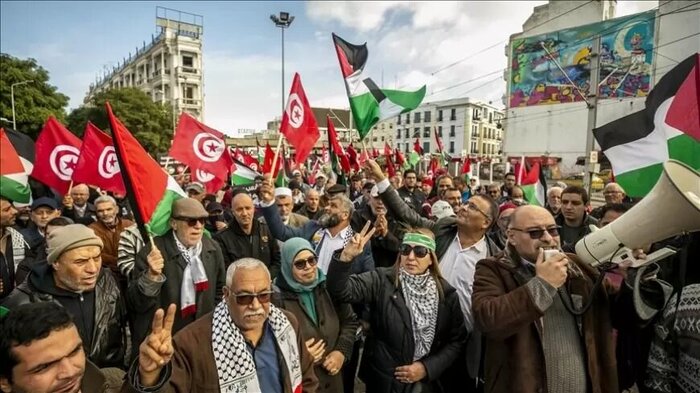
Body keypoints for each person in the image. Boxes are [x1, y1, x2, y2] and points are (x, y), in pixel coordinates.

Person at [472, 205, 627, 393]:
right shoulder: (493, 269)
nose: (547, 238)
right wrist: (543, 283)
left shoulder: (577, 265)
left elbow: (620, 313)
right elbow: (489, 319)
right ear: (511, 236)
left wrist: (635, 278)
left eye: (553, 230)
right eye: (535, 232)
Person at [125, 259, 319, 392]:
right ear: (226, 295)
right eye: (244, 297)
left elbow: (306, 379)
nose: (255, 305)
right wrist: (149, 377)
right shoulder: (190, 343)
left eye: (264, 295)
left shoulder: (287, 324)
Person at [327, 227, 467, 392]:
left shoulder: (447, 295)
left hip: (425, 385)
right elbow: (340, 290)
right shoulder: (381, 280)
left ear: (431, 259)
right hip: (384, 382)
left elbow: (457, 340)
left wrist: (426, 368)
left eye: (420, 251)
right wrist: (346, 257)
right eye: (405, 250)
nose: (411, 257)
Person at [2, 224, 126, 369]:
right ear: (55, 263)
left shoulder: (108, 280)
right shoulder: (21, 302)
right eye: (80, 261)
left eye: (97, 258)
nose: (93, 269)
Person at [127, 198, 226, 355]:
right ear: (174, 224)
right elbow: (137, 304)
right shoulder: (151, 253)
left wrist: (213, 321)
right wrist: (151, 276)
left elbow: (220, 290)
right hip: (164, 341)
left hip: (202, 337)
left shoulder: (212, 248)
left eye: (202, 220)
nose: (199, 226)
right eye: (191, 221)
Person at [274, 238, 359, 393]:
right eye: (300, 264)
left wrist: (341, 352)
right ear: (287, 266)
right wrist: (300, 357)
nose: (308, 267)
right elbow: (268, 347)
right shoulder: (276, 300)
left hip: (334, 383)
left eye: (312, 260)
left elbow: (350, 322)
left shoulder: (329, 287)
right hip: (303, 385)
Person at [0, 302, 125, 392]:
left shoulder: (118, 384)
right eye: (44, 367)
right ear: (4, 381)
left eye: (74, 352)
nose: (69, 373)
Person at [260, 177, 374, 275]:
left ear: (345, 215)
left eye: (333, 206)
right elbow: (281, 233)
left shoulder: (357, 243)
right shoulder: (312, 228)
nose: (326, 208)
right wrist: (269, 203)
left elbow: (365, 280)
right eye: (328, 204)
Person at [214, 192, 281, 276]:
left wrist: (266, 277)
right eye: (239, 209)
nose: (244, 213)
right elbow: (225, 269)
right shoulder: (222, 238)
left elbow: (277, 260)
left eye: (248, 208)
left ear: (253, 209)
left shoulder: (266, 230)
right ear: (233, 212)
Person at [350, 185, 405, 267]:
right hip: (362, 270)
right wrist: (373, 232)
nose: (381, 202)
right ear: (369, 200)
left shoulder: (400, 220)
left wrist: (386, 234)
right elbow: (352, 245)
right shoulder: (357, 216)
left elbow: (402, 249)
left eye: (385, 199)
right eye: (377, 198)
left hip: (389, 270)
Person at [89, 195, 135, 290]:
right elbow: (95, 254)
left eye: (109, 209)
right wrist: (117, 261)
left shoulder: (129, 225)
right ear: (96, 213)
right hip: (107, 278)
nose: (105, 213)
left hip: (131, 274)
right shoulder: (91, 230)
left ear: (116, 209)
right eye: (100, 211)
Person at [0, 197, 30, 300]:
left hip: (15, 305)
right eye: (6, 209)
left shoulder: (19, 238)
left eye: (12, 207)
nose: (15, 211)